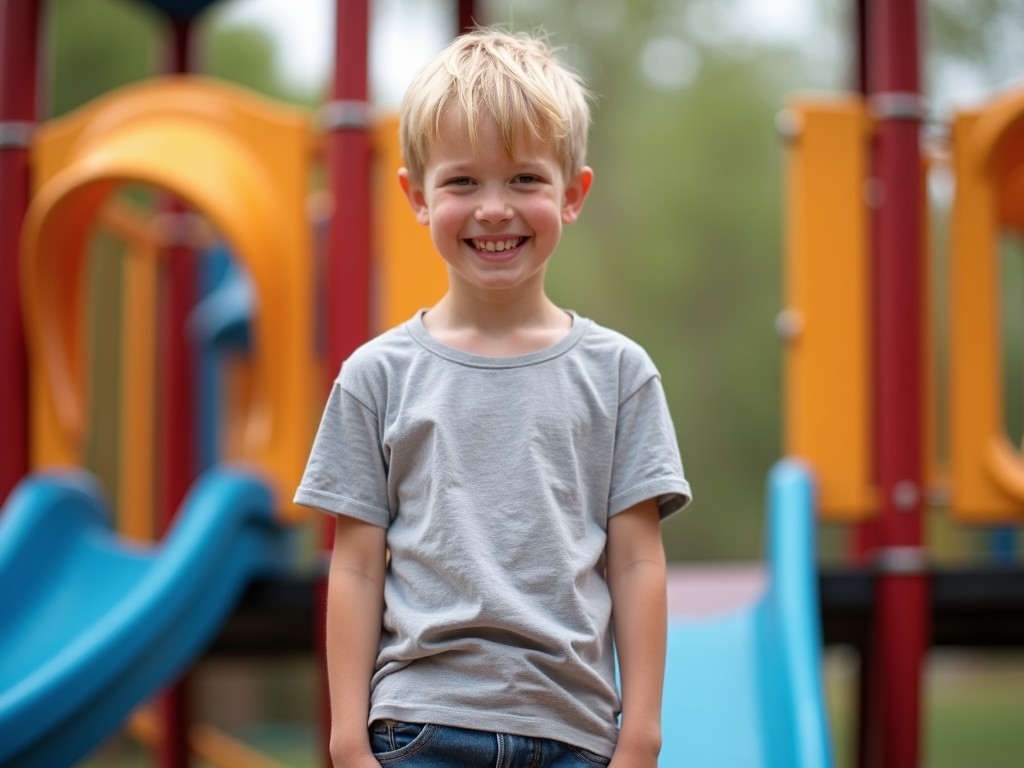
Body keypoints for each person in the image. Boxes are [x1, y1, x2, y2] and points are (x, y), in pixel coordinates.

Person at [295, 27, 691, 768]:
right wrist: (347, 740)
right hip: (419, 728)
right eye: (463, 182)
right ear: (417, 196)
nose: (494, 209)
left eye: (525, 180)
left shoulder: (619, 374)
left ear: (573, 194)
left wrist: (641, 734)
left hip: (573, 732)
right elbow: (355, 566)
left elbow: (637, 562)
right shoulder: (376, 376)